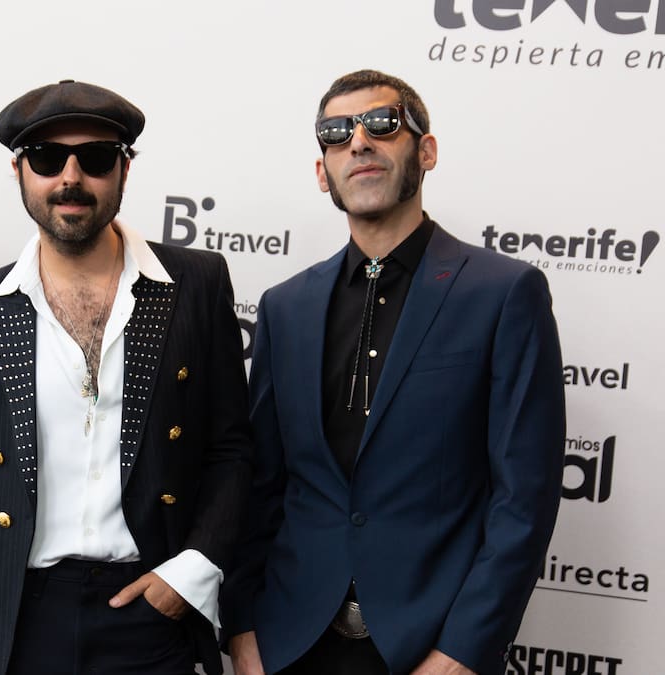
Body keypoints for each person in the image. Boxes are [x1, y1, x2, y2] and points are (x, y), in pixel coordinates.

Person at [0, 80, 253, 675]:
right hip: (14, 620)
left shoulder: (195, 283)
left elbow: (231, 450)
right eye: (45, 158)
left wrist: (191, 570)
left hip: (152, 612)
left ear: (124, 169)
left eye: (95, 157)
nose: (70, 177)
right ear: (18, 171)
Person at [222, 69, 566, 675]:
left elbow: (524, 500)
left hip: (429, 648)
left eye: (381, 124)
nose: (358, 142)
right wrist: (243, 629)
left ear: (425, 151)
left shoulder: (504, 293)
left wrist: (461, 653)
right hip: (290, 644)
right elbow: (260, 486)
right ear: (323, 171)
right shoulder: (285, 306)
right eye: (336, 133)